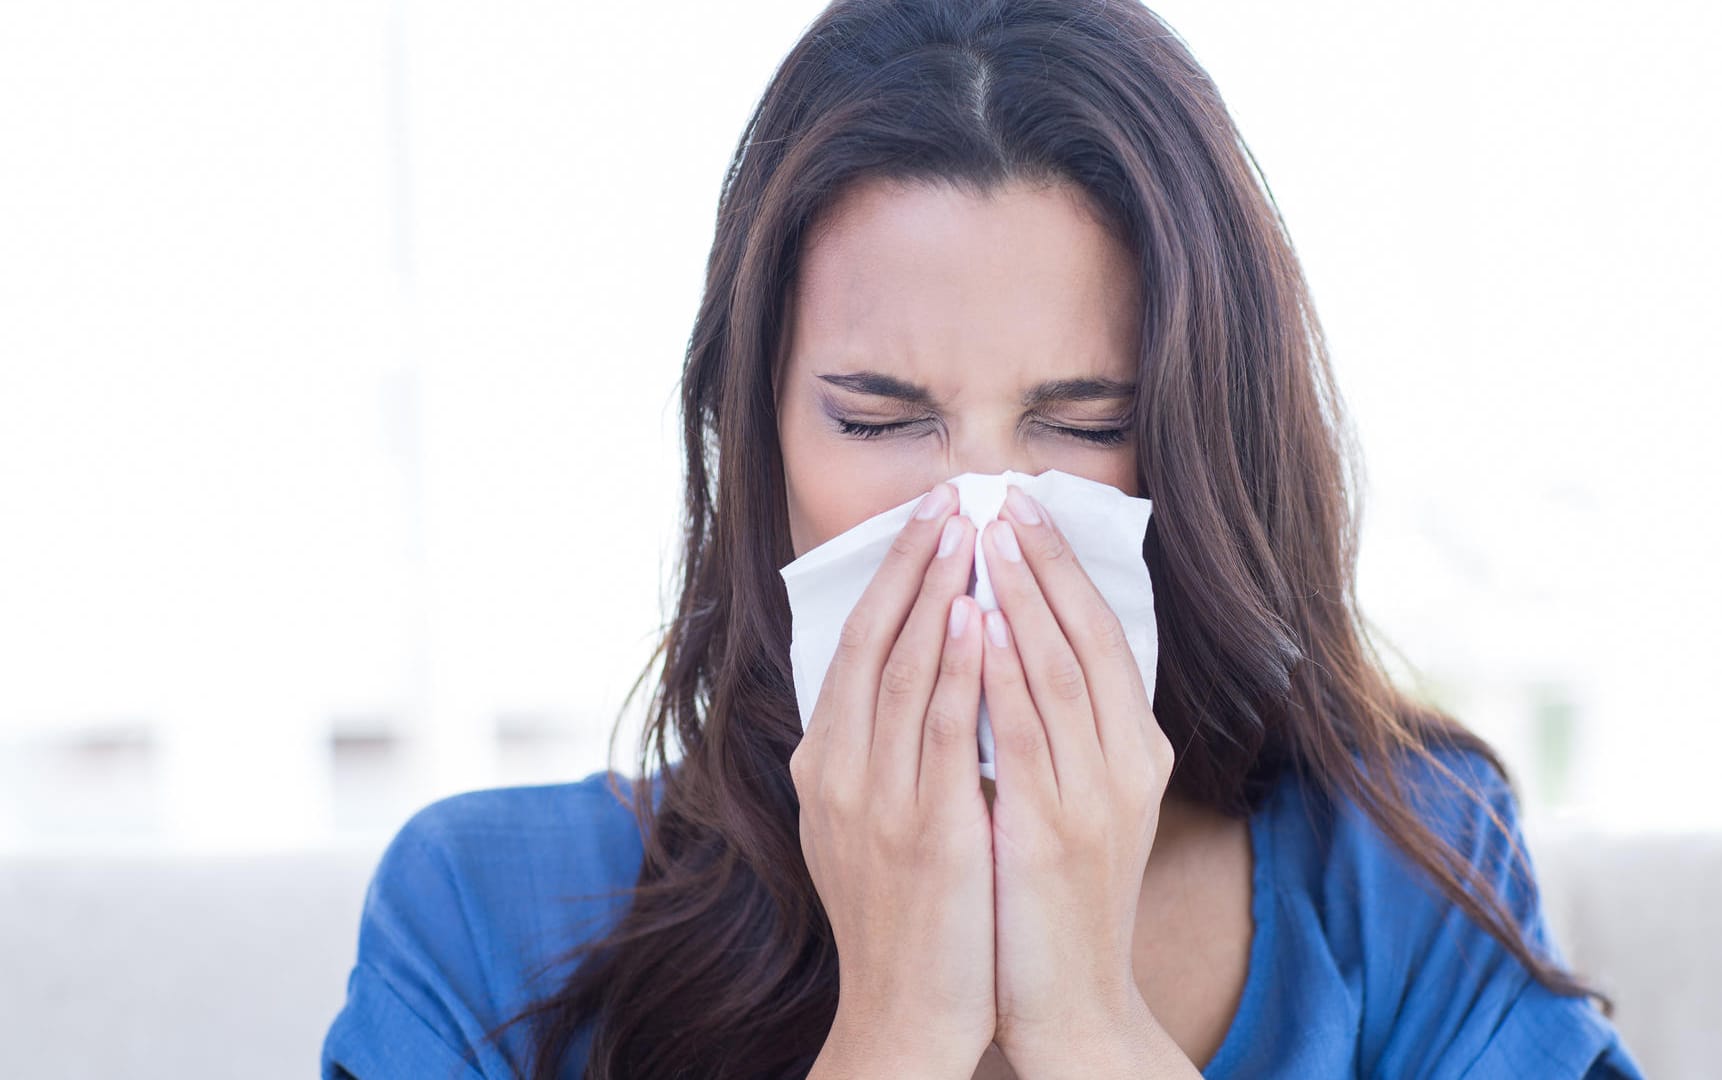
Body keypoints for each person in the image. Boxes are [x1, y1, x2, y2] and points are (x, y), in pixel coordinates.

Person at [321, 0, 1648, 1076]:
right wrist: (899, 1030)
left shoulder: (1402, 867)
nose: (978, 508)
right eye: (881, 419)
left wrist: (1084, 1021)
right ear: (757, 435)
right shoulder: (487, 914)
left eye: (1082, 424)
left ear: (1198, 443)